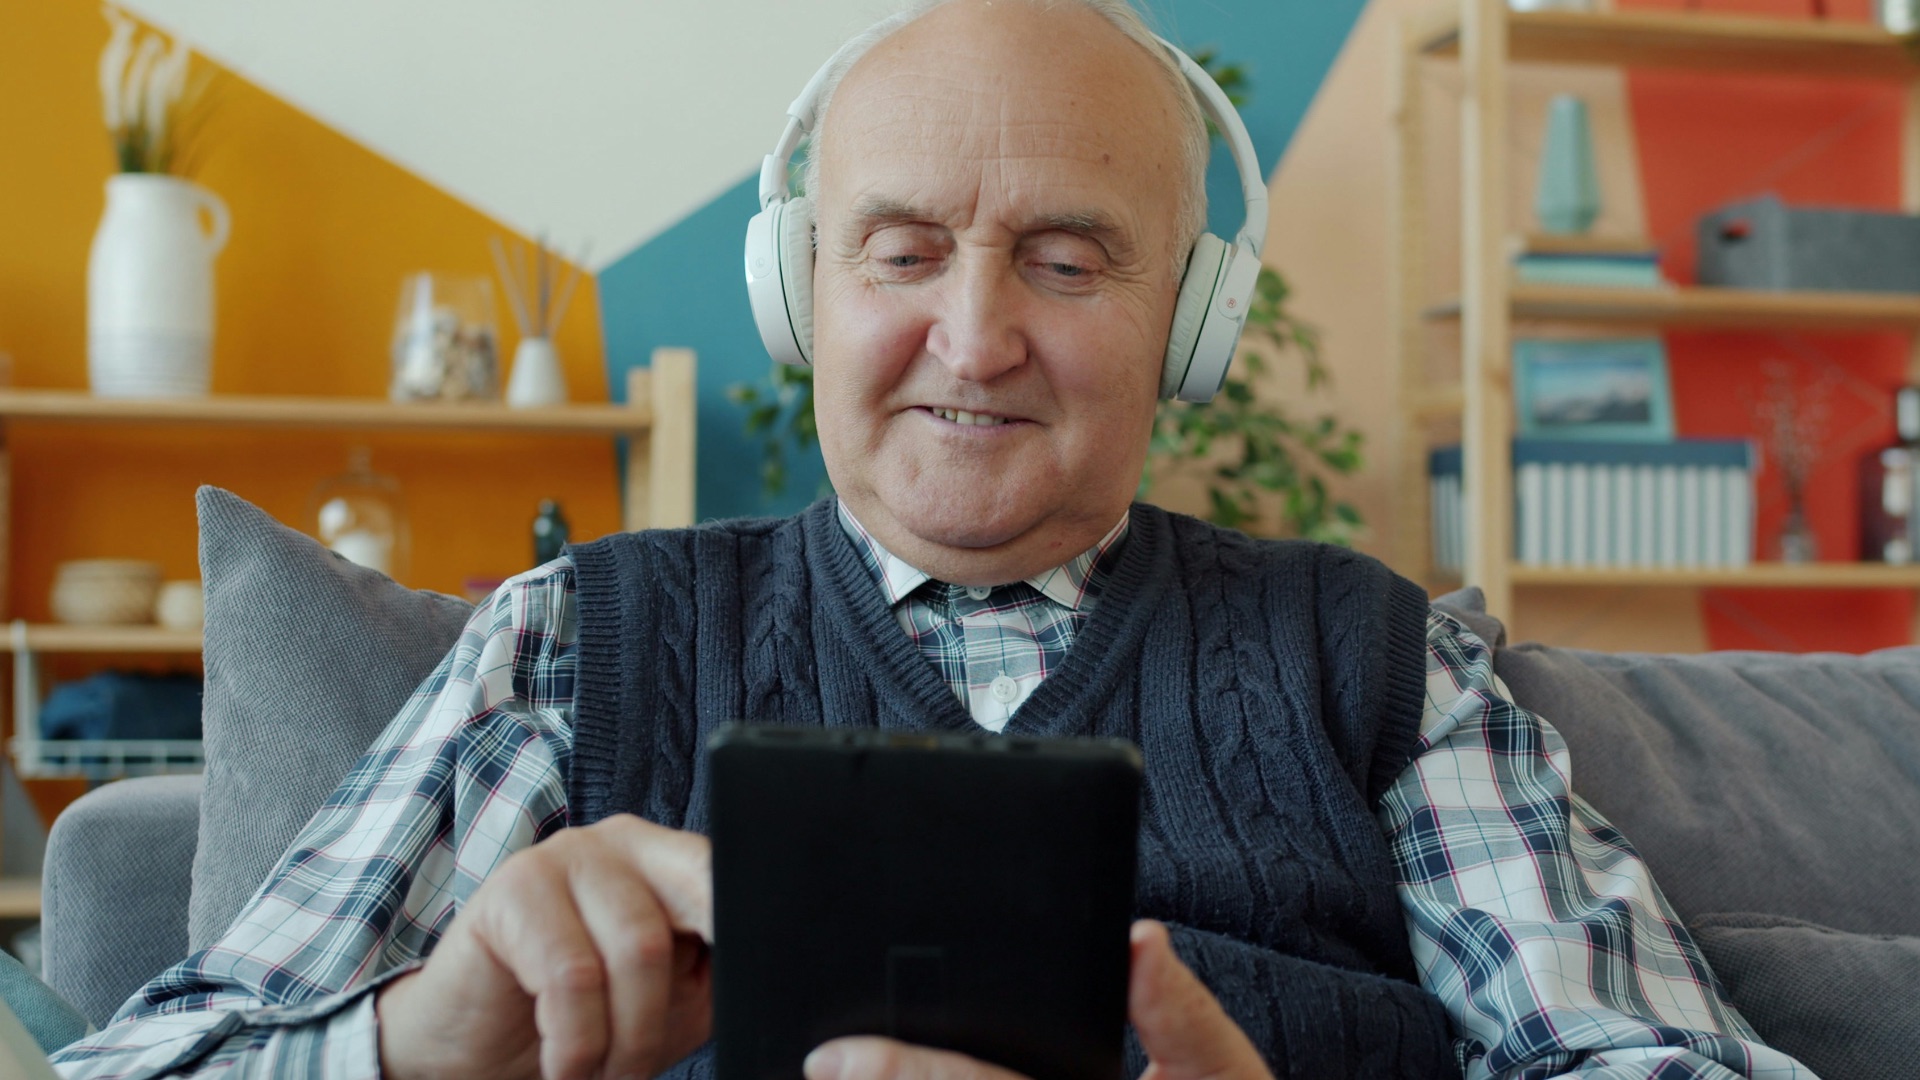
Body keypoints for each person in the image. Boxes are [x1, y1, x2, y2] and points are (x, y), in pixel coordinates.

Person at [55, 2, 1812, 1078]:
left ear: (1191, 321)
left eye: (1068, 259)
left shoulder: (1381, 667)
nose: (973, 340)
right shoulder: (569, 642)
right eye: (901, 252)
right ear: (801, 292)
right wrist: (414, 1048)